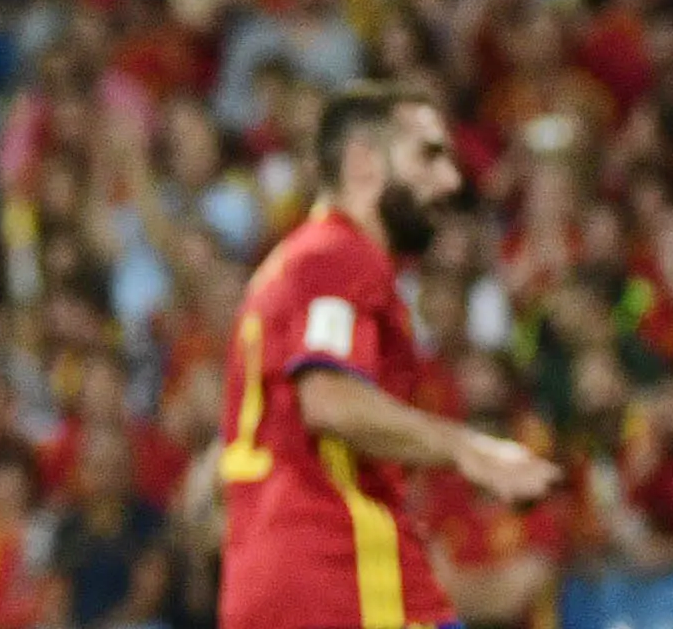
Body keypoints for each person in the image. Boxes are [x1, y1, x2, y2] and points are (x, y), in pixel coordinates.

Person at [216, 82, 559, 629]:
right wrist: (471, 451)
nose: (449, 179)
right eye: (428, 155)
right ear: (363, 164)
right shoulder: (340, 256)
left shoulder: (289, 265)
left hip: (276, 580)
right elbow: (328, 399)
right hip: (343, 576)